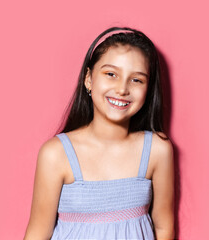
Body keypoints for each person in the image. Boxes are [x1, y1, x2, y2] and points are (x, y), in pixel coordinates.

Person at [24, 27, 175, 240]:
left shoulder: (157, 150)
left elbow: (164, 229)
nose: (122, 89)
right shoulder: (56, 154)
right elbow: (37, 234)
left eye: (137, 80)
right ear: (88, 79)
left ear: (148, 90)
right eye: (111, 74)